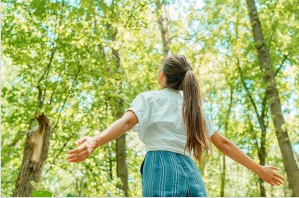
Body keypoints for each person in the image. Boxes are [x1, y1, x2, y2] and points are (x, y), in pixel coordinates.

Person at [66, 54, 285, 197]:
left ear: (163, 76)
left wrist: (95, 140)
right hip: (190, 170)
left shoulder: (151, 98)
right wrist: (259, 169)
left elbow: (126, 123)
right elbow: (223, 143)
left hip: (161, 165)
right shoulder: (195, 107)